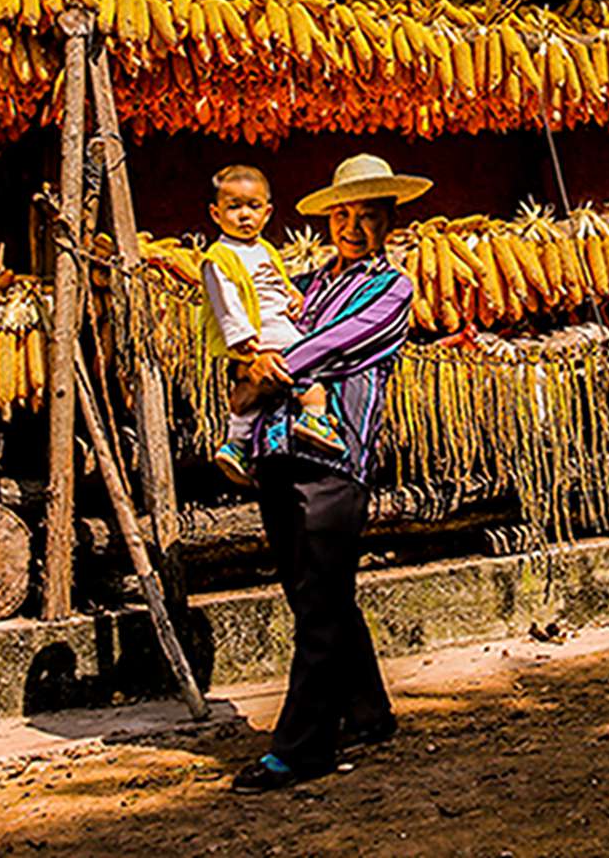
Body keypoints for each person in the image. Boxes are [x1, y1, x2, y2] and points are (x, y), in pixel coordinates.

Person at [229, 153, 428, 794]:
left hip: (335, 459)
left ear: (390, 222)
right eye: (344, 214)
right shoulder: (302, 285)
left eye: (369, 216)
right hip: (276, 449)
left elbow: (335, 345)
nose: (354, 227)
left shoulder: (392, 289)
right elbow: (249, 332)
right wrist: (250, 361)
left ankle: (303, 748)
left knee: (319, 602)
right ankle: (369, 712)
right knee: (314, 593)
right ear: (329, 219)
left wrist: (269, 366)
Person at [197, 164, 343, 488]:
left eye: (253, 206)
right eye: (234, 207)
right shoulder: (218, 257)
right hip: (260, 332)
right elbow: (225, 301)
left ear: (267, 213)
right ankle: (314, 418)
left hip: (277, 323)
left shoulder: (265, 250)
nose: (244, 215)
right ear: (215, 214)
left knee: (251, 393)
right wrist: (242, 338)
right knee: (311, 367)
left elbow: (278, 283)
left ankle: (236, 445)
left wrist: (293, 296)